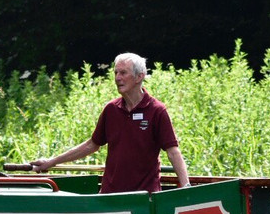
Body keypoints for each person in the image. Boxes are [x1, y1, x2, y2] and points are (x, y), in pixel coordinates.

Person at [30, 53, 190, 193]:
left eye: (123, 73)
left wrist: (186, 187)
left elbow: (173, 152)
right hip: (110, 197)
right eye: (115, 73)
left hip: (143, 200)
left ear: (139, 76)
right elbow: (91, 145)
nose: (117, 78)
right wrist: (51, 162)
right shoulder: (111, 109)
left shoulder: (157, 110)